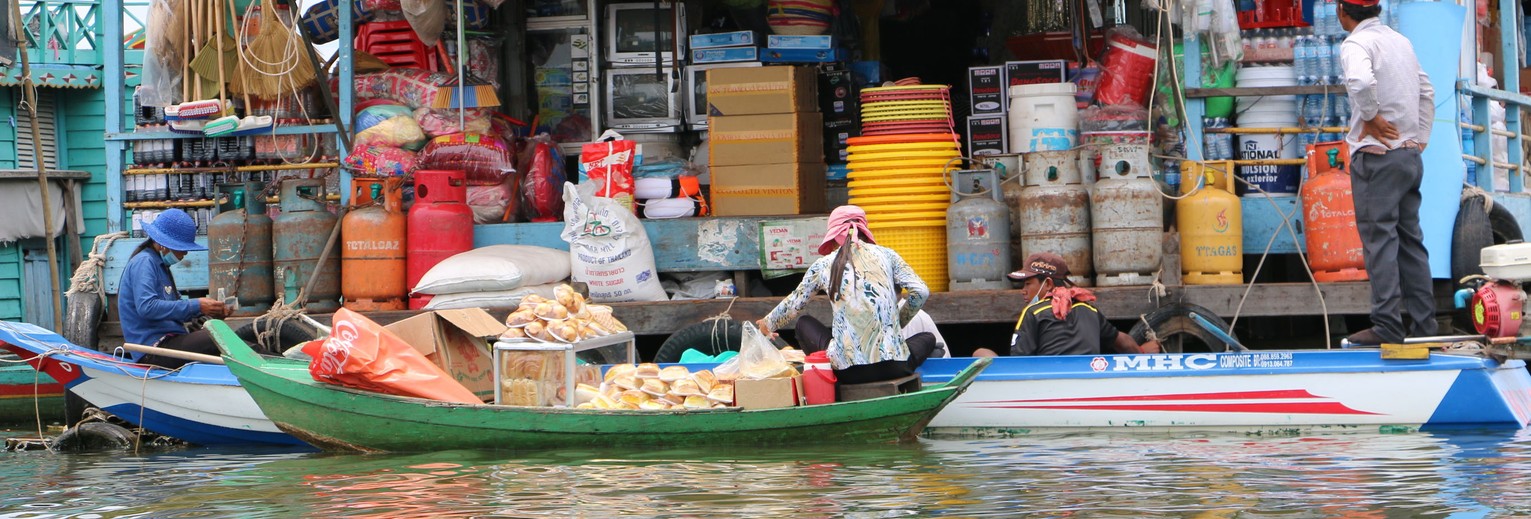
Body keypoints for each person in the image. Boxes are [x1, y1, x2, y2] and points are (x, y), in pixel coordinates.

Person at [1338, 0, 1437, 344]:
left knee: (1379, 241)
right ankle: (1425, 328)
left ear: (1341, 11)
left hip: (1378, 160)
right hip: (1409, 158)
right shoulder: (1401, 41)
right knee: (1410, 242)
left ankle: (1388, 326)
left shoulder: (1356, 44)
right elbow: (1427, 91)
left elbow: (1360, 82)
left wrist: (1369, 116)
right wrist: (1419, 138)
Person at [756, 206, 938, 385]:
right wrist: (898, 322)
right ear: (865, 231)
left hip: (848, 373)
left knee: (804, 323)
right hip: (896, 366)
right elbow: (920, 291)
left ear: (834, 235)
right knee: (928, 337)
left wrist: (767, 323)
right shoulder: (888, 255)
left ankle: (826, 382)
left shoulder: (823, 264)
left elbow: (795, 303)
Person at [973, 252, 1159, 357]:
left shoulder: (1033, 311)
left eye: (1028, 284)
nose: (1023, 290)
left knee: (980, 353)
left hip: (1045, 387)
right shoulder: (1089, 308)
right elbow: (1124, 342)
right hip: (1087, 381)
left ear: (1048, 284)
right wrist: (1143, 352)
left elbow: (1018, 363)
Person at [119, 208, 229, 368]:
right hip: (153, 350)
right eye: (181, 247)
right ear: (163, 244)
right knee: (218, 340)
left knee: (231, 337)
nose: (185, 252)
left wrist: (209, 310)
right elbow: (147, 307)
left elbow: (177, 312)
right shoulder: (144, 262)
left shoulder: (160, 265)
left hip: (171, 340)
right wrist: (197, 304)